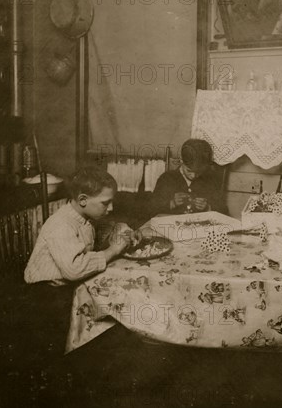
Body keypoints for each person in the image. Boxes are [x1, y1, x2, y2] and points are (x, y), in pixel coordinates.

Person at [23, 168, 140, 353]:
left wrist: (128, 232)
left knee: (119, 302)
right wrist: (113, 250)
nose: (111, 208)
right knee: (112, 314)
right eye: (105, 203)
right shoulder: (60, 224)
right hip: (46, 294)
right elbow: (74, 269)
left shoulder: (86, 216)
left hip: (68, 287)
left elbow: (110, 228)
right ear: (83, 200)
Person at [150, 139, 227, 216]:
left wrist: (208, 208)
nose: (193, 176)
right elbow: (152, 208)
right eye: (189, 171)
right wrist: (172, 203)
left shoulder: (210, 181)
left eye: (198, 172)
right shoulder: (167, 179)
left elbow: (224, 212)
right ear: (181, 160)